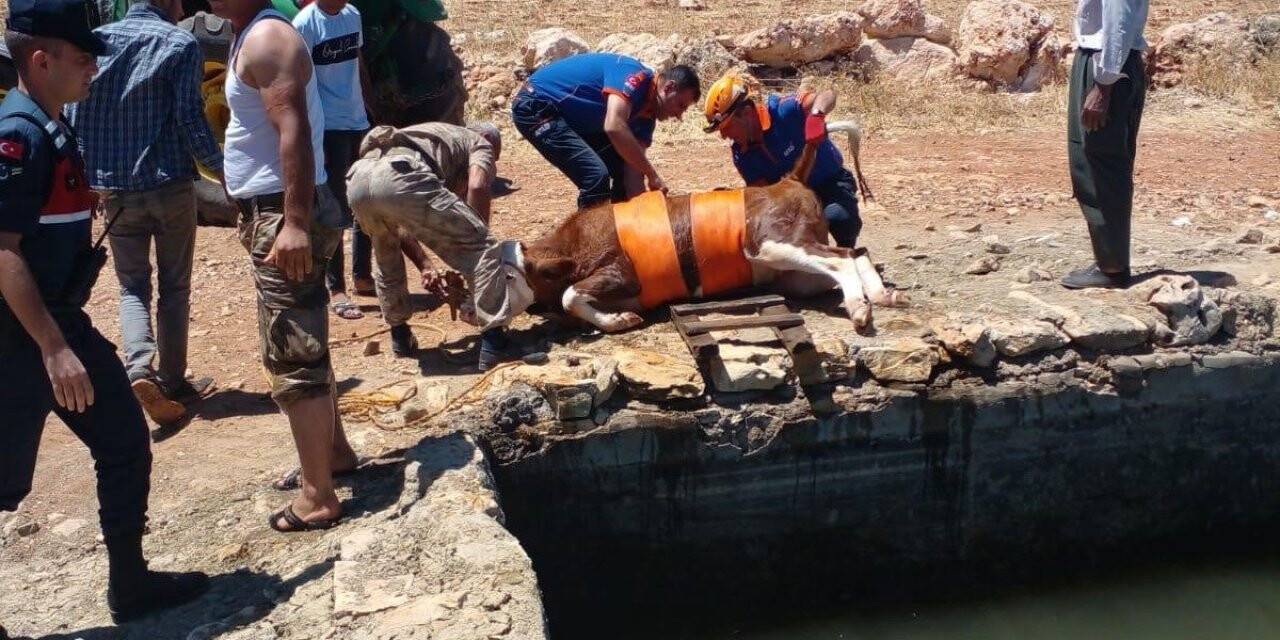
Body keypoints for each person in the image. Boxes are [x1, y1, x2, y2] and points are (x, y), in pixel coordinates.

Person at [0, 0, 207, 622]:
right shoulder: (19, 135)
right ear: (42, 60)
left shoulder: (54, 126)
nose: (94, 68)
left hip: (55, 324)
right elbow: (2, 252)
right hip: (21, 336)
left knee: (122, 439)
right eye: (83, 59)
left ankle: (131, 584)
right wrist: (52, 347)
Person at [211, 0, 357, 532]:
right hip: (274, 208)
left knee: (293, 352)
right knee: (305, 337)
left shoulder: (268, 39)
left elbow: (291, 127)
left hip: (283, 211)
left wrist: (293, 222)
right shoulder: (250, 32)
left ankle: (318, 496)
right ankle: (334, 453)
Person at [67, 0, 222, 425]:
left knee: (132, 286)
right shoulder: (179, 43)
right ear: (171, 3)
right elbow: (192, 119)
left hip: (115, 191)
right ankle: (172, 381)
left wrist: (86, 178)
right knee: (175, 286)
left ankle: (139, 367)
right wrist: (225, 172)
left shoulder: (98, 43)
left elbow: (75, 113)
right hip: (169, 184)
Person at [346, 122, 536, 370]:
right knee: (484, 245)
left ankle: (400, 336)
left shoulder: (431, 137)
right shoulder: (480, 143)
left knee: (386, 254)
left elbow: (402, 219)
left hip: (358, 180)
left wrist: (426, 265)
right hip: (400, 175)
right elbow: (477, 186)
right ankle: (495, 342)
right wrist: (474, 244)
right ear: (491, 142)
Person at [511, 53, 701, 209]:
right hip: (536, 104)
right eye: (680, 105)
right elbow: (613, 126)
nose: (679, 115)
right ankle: (587, 247)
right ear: (669, 88)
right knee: (595, 176)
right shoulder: (635, 76)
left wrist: (645, 214)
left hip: (568, 119)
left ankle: (622, 236)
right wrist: (653, 175)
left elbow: (632, 172)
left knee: (620, 167)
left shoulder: (646, 119)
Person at [702, 72, 862, 249]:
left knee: (839, 218)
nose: (724, 136)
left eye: (727, 127)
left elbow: (828, 95)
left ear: (747, 113)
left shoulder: (784, 111)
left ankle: (848, 253)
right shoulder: (743, 156)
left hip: (831, 182)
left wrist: (816, 115)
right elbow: (764, 197)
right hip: (792, 202)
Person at [292, 0, 374, 320]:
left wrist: (370, 104)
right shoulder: (304, 25)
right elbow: (298, 80)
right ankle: (336, 287)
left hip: (357, 120)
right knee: (336, 206)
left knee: (364, 198)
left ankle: (363, 274)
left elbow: (358, 62)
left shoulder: (353, 14)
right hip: (328, 125)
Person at [1061, 0, 1149, 289]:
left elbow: (1118, 20)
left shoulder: (1106, 74)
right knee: (1093, 157)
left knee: (1101, 160)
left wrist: (1104, 84)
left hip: (1107, 66)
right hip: (1103, 62)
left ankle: (1112, 267)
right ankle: (1109, 259)